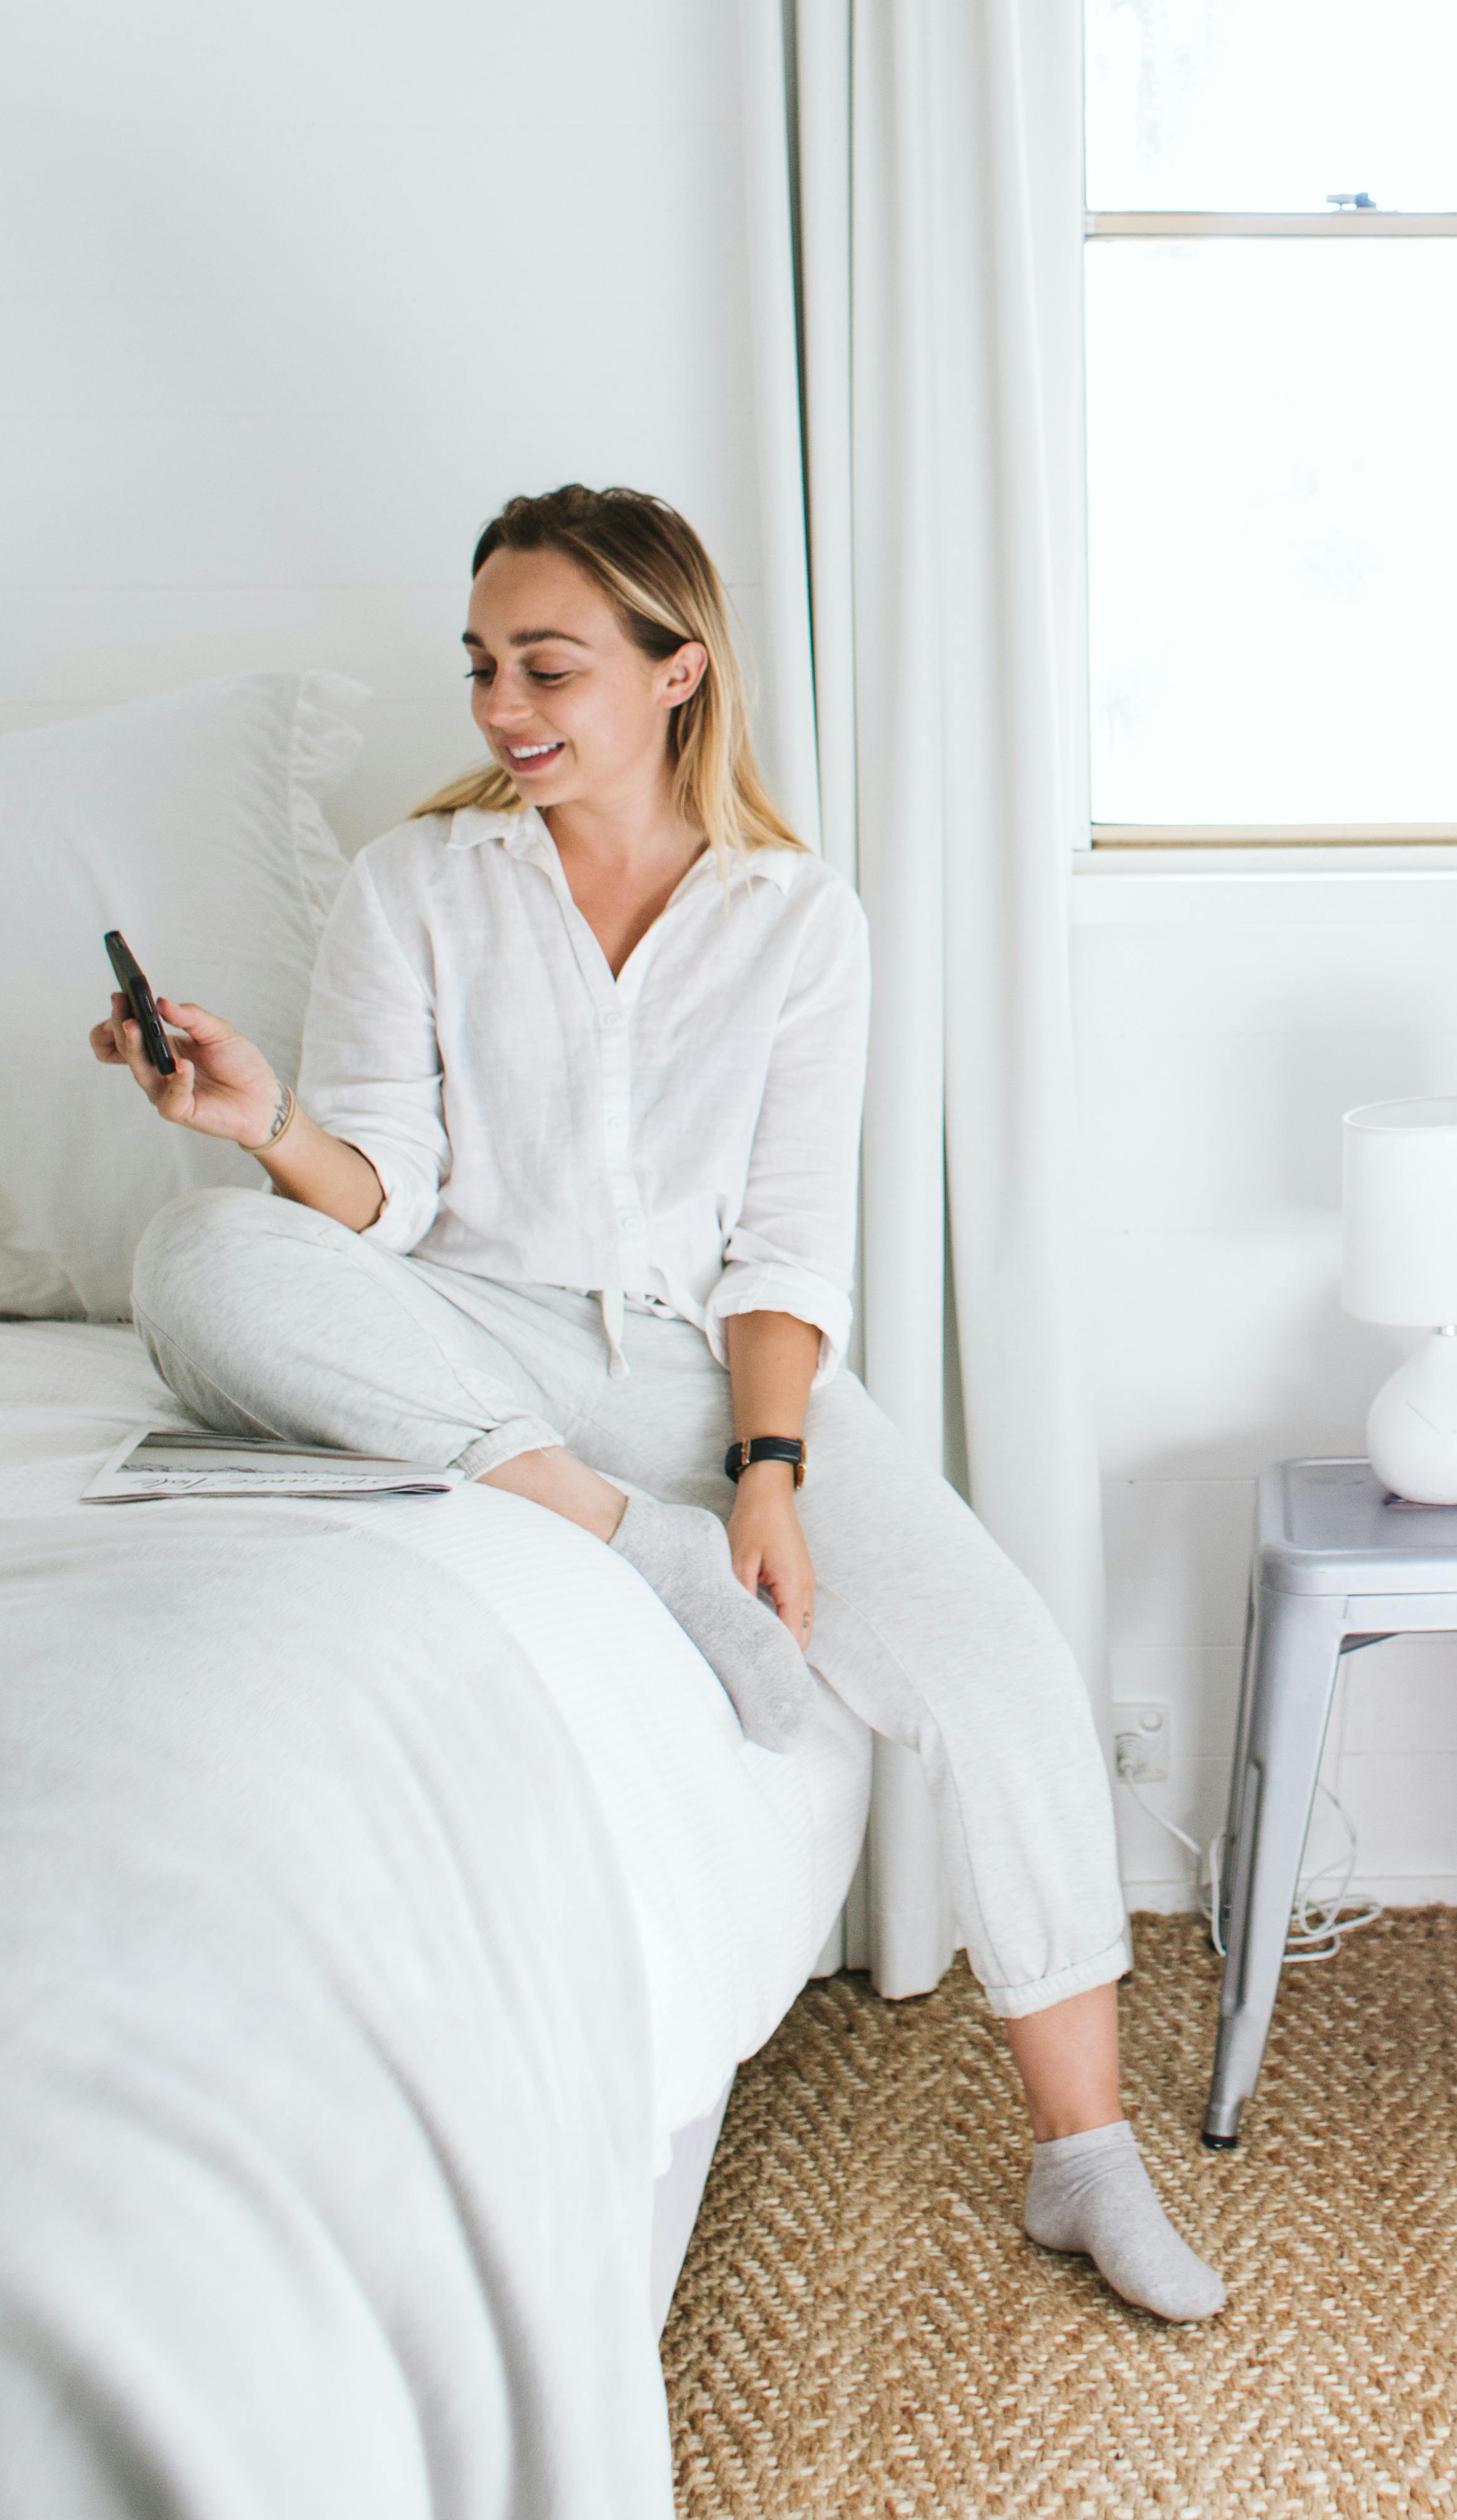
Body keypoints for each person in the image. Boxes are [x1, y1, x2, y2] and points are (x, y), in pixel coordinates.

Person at [92, 481, 1223, 2325]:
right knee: (201, 1260)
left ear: (676, 670)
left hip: (707, 1371)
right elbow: (387, 1190)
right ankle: (618, 1538)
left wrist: (769, 1477)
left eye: (548, 665)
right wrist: (263, 1122)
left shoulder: (799, 922)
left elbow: (786, 1252)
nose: (502, 708)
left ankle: (1081, 2156)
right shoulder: (418, 883)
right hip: (468, 1337)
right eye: (482, 669)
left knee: (1004, 1660)